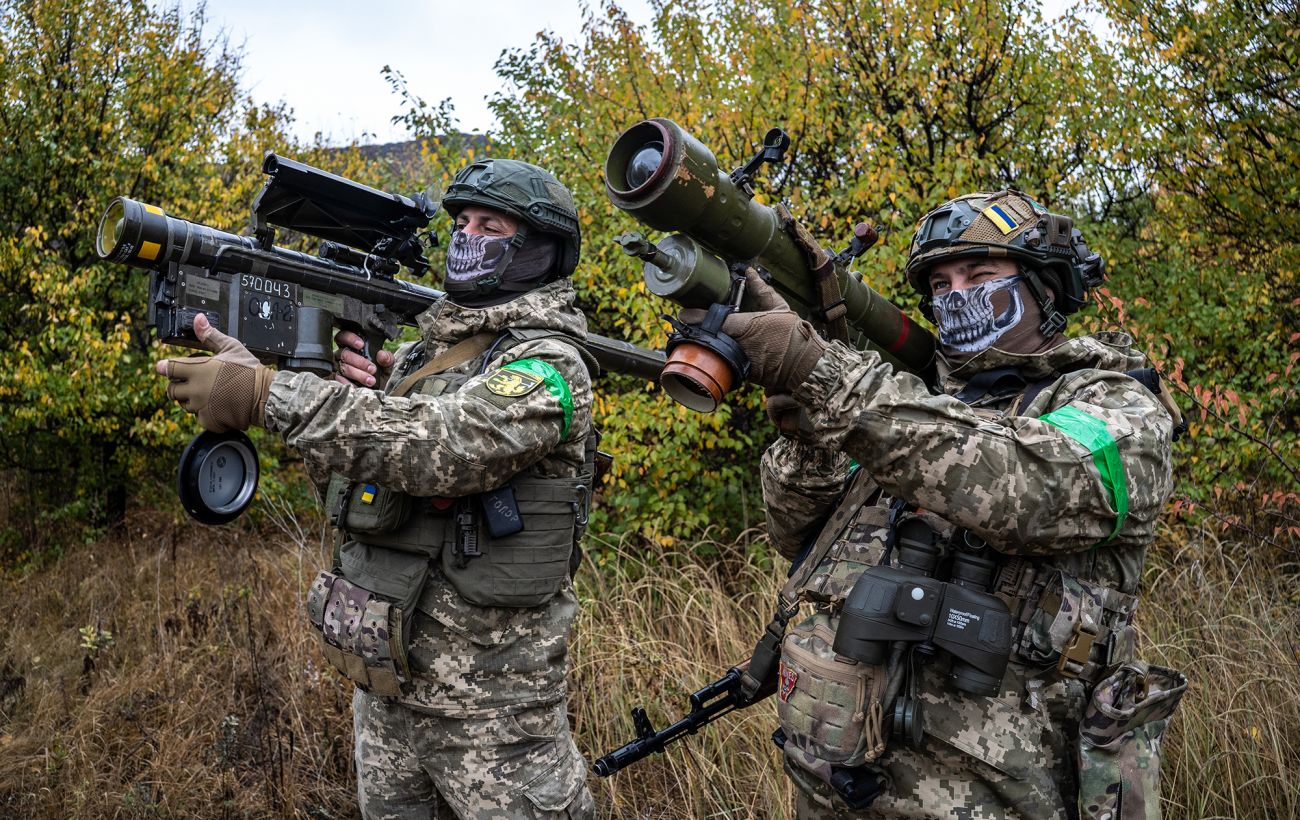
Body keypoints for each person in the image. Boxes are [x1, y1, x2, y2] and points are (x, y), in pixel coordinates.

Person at [688, 190, 1185, 818]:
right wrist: (807, 435)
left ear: (1046, 288)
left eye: (979, 275)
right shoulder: (909, 404)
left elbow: (1025, 484)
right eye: (942, 284)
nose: (957, 295)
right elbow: (795, 535)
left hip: (997, 795)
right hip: (841, 775)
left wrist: (827, 377)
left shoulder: (1115, 405)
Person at [156, 159, 598, 819]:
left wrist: (270, 396)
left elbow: (440, 449)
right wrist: (323, 387)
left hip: (493, 716)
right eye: (462, 222)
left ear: (539, 250)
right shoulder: (424, 355)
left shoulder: (549, 365)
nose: (467, 236)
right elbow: (354, 492)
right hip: (386, 688)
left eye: (491, 226)